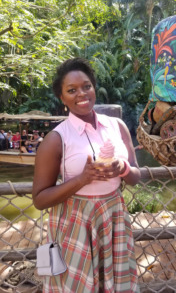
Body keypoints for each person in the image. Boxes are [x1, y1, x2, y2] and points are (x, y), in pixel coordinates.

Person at [32, 57, 141, 293]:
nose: (81, 94)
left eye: (86, 86)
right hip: (75, 222)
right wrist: (82, 179)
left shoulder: (117, 126)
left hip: (114, 216)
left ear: (94, 86)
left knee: (115, 285)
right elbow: (40, 199)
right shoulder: (56, 139)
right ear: (62, 98)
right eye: (71, 90)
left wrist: (121, 168)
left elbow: (136, 176)